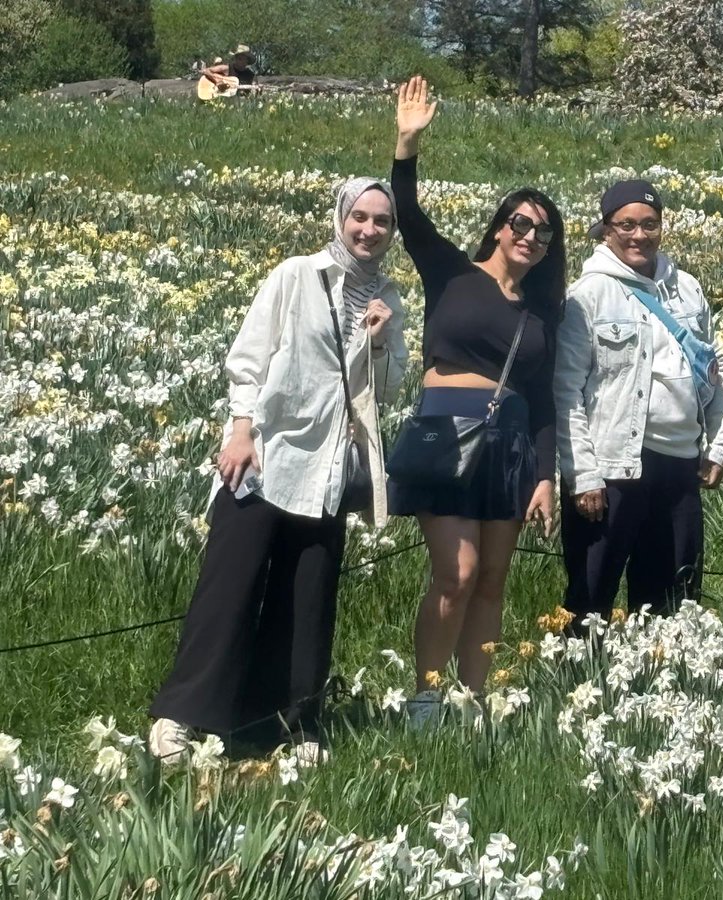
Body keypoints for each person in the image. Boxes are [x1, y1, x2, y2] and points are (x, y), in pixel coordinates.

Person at [148, 176, 408, 765]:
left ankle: (285, 723)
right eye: (359, 217)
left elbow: (388, 390)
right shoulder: (297, 275)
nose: (369, 230)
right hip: (268, 456)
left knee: (307, 594)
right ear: (340, 217)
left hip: (328, 468)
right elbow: (249, 355)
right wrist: (241, 430)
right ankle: (181, 716)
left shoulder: (389, 298)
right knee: (230, 588)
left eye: (382, 222)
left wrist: (385, 336)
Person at [387, 76, 563, 714]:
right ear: (498, 228)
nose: (530, 236)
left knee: (491, 580)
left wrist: (546, 476)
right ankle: (427, 701)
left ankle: (473, 699)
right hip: (445, 431)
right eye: (521, 222)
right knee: (455, 575)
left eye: (543, 233)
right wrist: (406, 146)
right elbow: (407, 217)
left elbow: (544, 403)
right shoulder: (452, 274)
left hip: (510, 444)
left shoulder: (543, 315)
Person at [554, 179, 723, 625]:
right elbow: (566, 390)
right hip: (614, 466)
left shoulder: (688, 290)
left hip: (679, 464)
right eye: (626, 225)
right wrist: (582, 475)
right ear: (606, 229)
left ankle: (656, 684)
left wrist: (720, 445)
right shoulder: (589, 294)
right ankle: (583, 683)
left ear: (662, 227)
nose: (639, 235)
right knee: (591, 593)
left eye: (649, 224)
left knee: (672, 597)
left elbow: (716, 369)